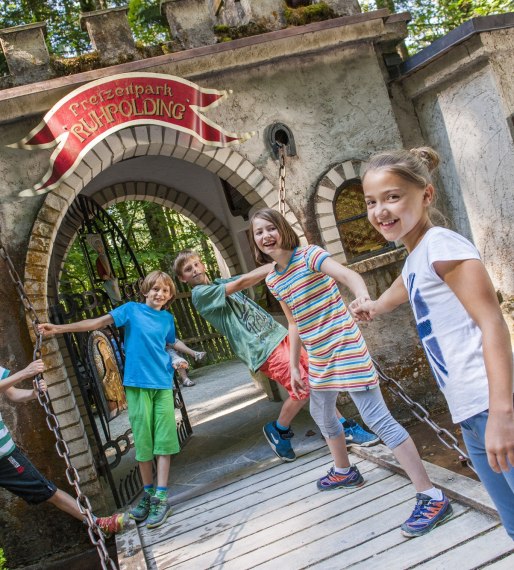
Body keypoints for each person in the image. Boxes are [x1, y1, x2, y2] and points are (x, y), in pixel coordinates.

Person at [249, 207, 451, 538]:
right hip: (317, 355)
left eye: (270, 228)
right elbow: (294, 322)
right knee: (320, 411)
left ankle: (430, 495)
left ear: (282, 229)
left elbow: (347, 276)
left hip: (344, 344)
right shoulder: (273, 278)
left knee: (378, 419)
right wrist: (297, 365)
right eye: (258, 232)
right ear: (254, 241)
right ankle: (344, 470)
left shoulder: (310, 256)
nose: (265, 236)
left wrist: (361, 295)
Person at [350, 146, 514, 539]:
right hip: (470, 415)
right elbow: (401, 289)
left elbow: (493, 325)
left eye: (393, 197)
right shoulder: (418, 257)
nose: (380, 211)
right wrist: (371, 307)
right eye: (372, 202)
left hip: (491, 406)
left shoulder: (442, 246)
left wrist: (503, 415)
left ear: (425, 195)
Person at [173, 250, 379, 464]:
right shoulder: (200, 294)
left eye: (197, 264)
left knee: (317, 378)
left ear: (203, 265)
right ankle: (279, 429)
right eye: (188, 269)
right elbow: (244, 281)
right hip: (261, 348)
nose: (195, 270)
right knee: (303, 386)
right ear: (182, 278)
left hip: (279, 335)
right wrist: (279, 263)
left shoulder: (219, 282)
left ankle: (342, 427)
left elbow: (250, 275)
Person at [38, 270, 179, 530]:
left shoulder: (167, 319)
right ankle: (148, 495)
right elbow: (96, 323)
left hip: (163, 385)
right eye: (156, 288)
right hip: (137, 385)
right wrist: (58, 328)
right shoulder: (131, 310)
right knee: (144, 443)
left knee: (165, 440)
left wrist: (185, 356)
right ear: (145, 290)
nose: (160, 293)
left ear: (170, 296)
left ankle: (161, 497)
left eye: (166, 290)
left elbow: (170, 344)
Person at [0, 359, 124, 536]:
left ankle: (96, 523)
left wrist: (32, 393)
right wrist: (25, 372)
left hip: (4, 455)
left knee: (48, 490)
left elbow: (11, 394)